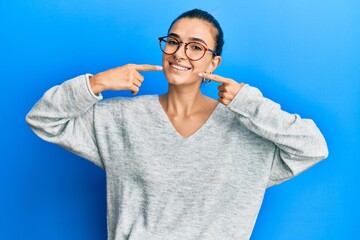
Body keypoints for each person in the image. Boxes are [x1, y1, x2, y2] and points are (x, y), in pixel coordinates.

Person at [26, 8, 328, 240]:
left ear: (213, 63)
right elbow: (43, 119)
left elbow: (313, 147)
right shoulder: (119, 119)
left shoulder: (247, 130)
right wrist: (97, 83)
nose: (180, 53)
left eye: (196, 47)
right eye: (173, 42)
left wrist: (250, 103)